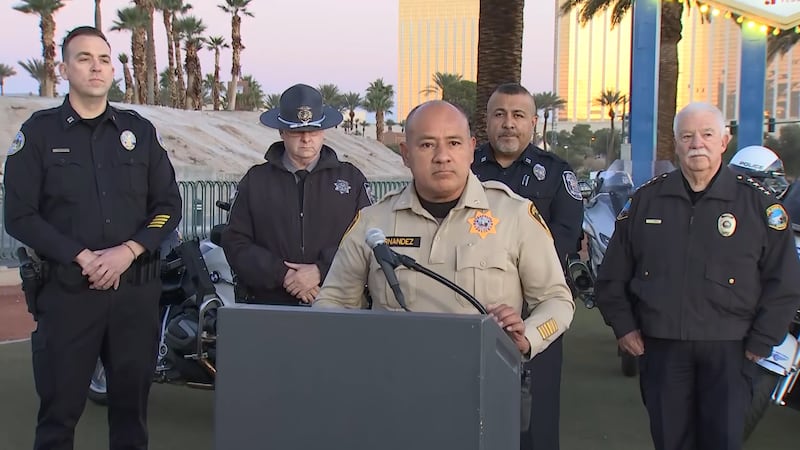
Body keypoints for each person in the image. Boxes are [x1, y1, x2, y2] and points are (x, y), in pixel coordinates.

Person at [3, 26, 182, 450]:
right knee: (57, 417)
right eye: (84, 58)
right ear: (64, 68)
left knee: (131, 418)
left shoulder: (138, 132)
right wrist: (81, 256)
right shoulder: (40, 133)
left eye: (103, 59)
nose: (96, 67)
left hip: (134, 297)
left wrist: (129, 250)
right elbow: (19, 215)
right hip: (68, 295)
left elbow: (169, 205)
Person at [595, 102, 800, 450]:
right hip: (662, 350)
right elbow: (612, 276)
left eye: (707, 135)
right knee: (670, 440)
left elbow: (784, 283)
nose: (697, 144)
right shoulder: (647, 201)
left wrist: (761, 342)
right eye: (687, 136)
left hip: (732, 353)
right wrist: (624, 327)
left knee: (722, 441)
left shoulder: (759, 206)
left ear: (724, 140)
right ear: (676, 144)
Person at [314, 100, 575, 369]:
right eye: (427, 145)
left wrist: (527, 337)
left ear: (472, 149)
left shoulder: (514, 215)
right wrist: (363, 347)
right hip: (391, 381)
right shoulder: (374, 222)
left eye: (454, 143)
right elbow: (333, 302)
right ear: (406, 153)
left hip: (485, 381)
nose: (442, 156)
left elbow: (555, 300)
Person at [472, 83, 583, 450]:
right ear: (486, 121)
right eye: (499, 114)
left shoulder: (555, 173)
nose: (508, 123)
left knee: (538, 418)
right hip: (477, 308)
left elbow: (566, 236)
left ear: (533, 122)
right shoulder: (465, 170)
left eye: (518, 115)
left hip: (537, 314)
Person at [222, 83, 372, 305]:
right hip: (270, 307)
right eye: (297, 131)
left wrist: (321, 270)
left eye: (313, 131)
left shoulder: (352, 180)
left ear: (323, 131)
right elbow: (235, 242)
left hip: (338, 304)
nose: (306, 139)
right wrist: (283, 275)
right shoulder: (255, 181)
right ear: (282, 131)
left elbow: (369, 239)